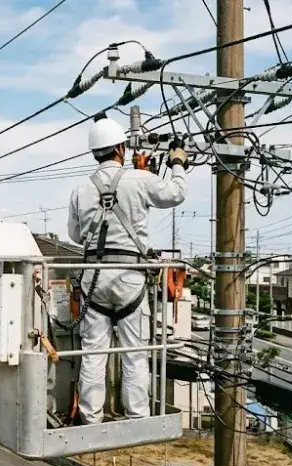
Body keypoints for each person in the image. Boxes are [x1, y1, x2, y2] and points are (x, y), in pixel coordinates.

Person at [67, 112, 188, 424]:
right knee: (134, 352)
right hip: (129, 277)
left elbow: (75, 235)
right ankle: (137, 417)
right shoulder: (138, 179)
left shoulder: (82, 189)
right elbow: (176, 193)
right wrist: (177, 162)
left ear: (95, 152)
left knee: (93, 352)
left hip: (93, 278)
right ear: (121, 148)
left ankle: (90, 419)